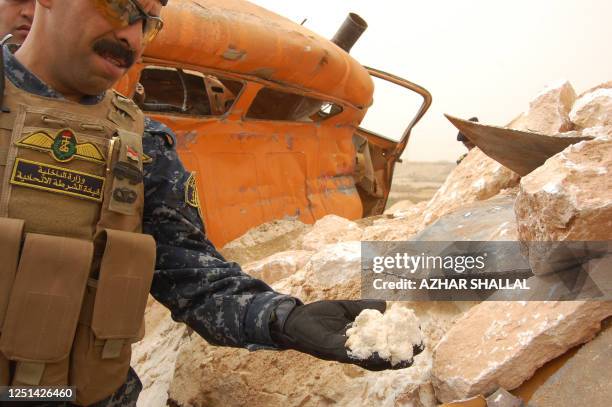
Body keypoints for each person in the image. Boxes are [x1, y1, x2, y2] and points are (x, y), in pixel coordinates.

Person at [0, 1, 422, 406]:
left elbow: (192, 276)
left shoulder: (144, 144)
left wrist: (284, 319)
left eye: (148, 23)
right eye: (117, 8)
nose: (130, 36)